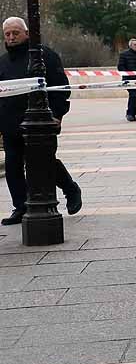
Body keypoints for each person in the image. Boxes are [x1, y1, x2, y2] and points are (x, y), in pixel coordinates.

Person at [0, 17, 82, 225]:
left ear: (27, 33)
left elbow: (60, 87)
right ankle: (21, 206)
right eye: (7, 34)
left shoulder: (45, 56)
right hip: (10, 124)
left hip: (40, 123)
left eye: (15, 33)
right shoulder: (2, 62)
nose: (11, 37)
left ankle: (70, 189)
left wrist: (58, 115)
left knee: (44, 162)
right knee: (13, 166)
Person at [117, 38, 136, 121]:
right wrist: (129, 74)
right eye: (135, 45)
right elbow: (120, 67)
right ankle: (130, 114)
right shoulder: (124, 54)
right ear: (130, 45)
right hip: (130, 80)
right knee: (133, 96)